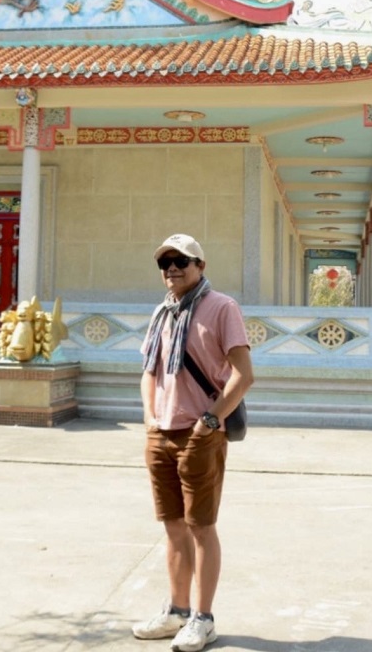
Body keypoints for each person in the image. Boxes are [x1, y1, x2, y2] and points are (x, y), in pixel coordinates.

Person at [132, 233, 254, 652]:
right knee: (173, 527)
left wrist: (210, 420)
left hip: (200, 434)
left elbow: (243, 374)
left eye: (181, 261)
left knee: (201, 527)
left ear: (200, 266)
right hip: (160, 432)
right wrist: (149, 417)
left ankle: (203, 618)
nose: (172, 268)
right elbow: (149, 371)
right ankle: (177, 611)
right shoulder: (161, 312)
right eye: (165, 262)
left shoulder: (221, 307)